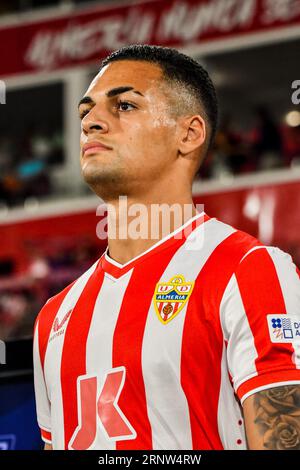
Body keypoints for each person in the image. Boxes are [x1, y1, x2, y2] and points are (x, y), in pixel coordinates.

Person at [33, 45, 300, 451]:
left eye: (123, 105)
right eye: (85, 111)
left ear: (188, 134)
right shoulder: (54, 317)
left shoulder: (249, 271)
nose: (91, 122)